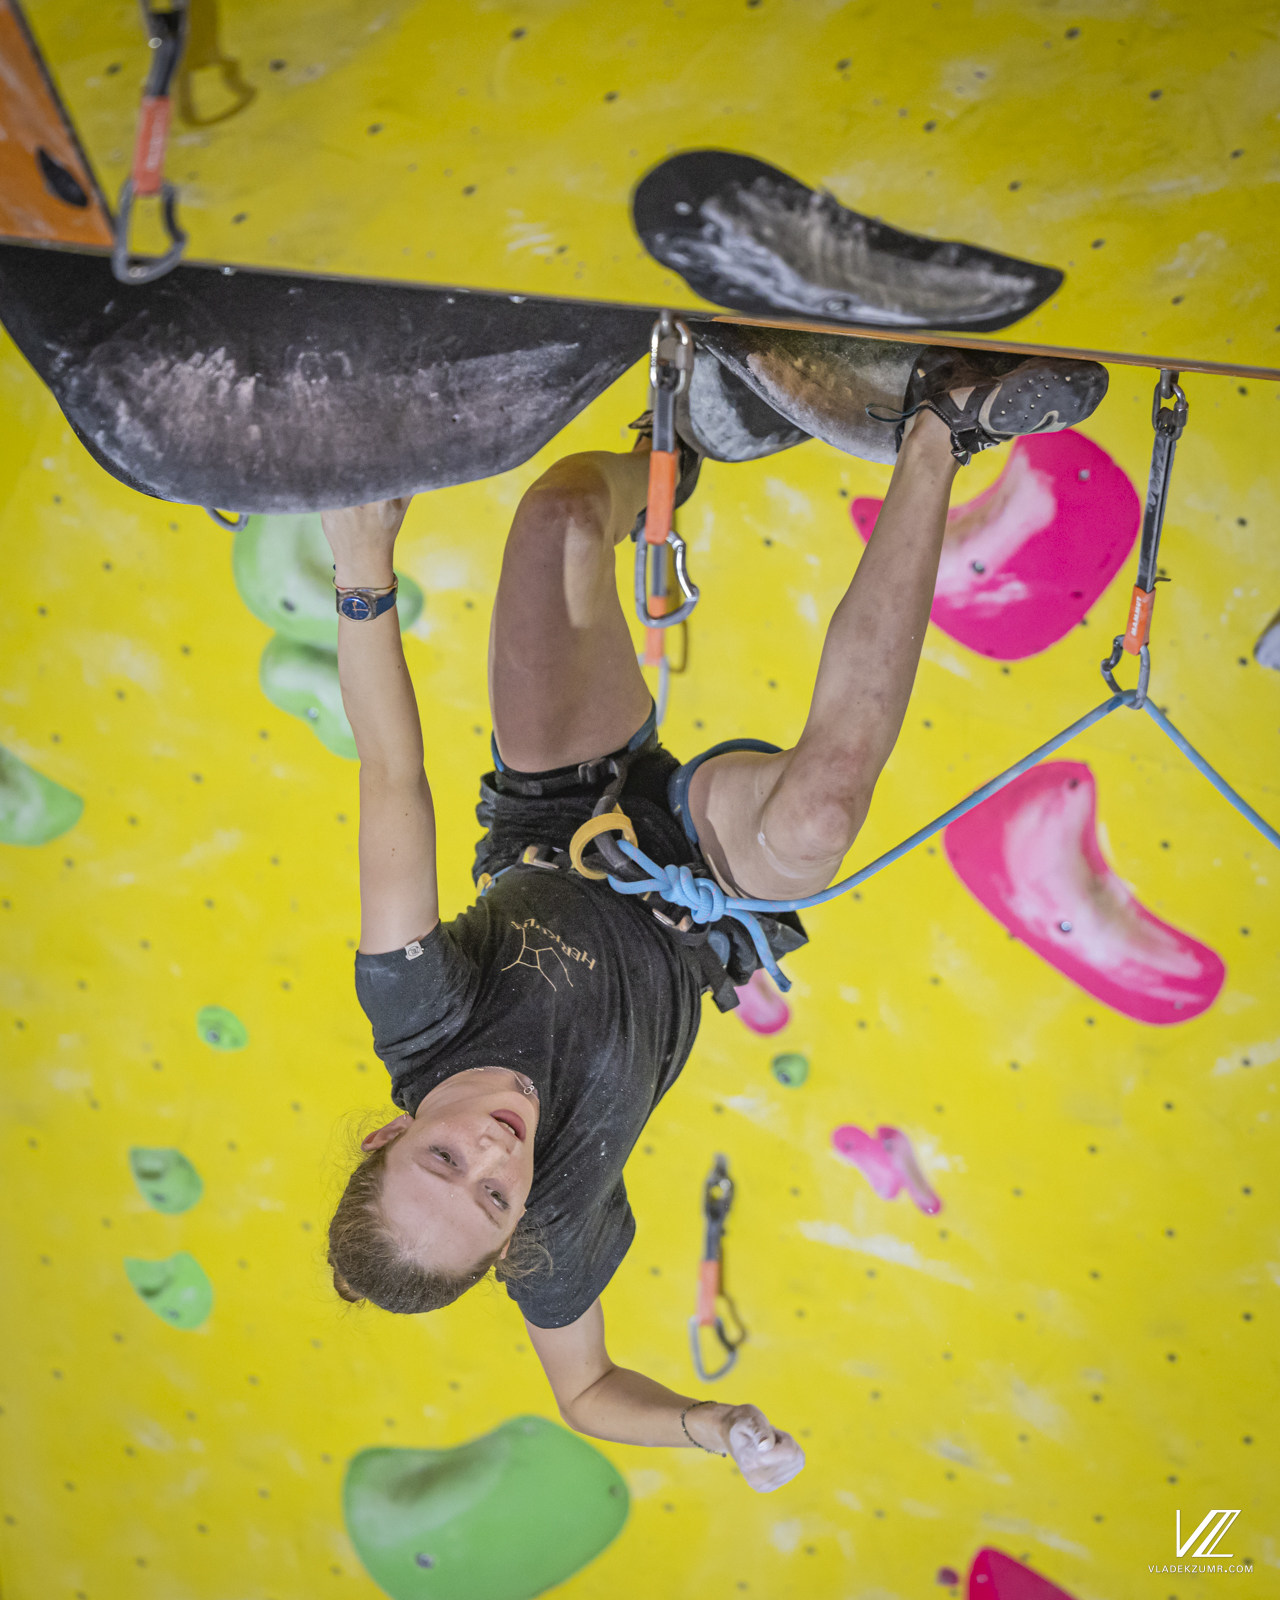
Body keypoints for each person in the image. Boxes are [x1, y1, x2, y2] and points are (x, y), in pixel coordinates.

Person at [322, 345, 1107, 1494]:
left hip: (566, 806)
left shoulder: (415, 1007)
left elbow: (393, 773)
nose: (490, 1150)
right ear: (512, 1232)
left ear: (383, 1135)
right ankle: (942, 424)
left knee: (557, 519)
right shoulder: (554, 1233)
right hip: (708, 895)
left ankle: (682, 443)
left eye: (440, 1158)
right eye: (492, 1196)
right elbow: (585, 1391)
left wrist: (360, 570)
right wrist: (713, 1424)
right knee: (819, 813)